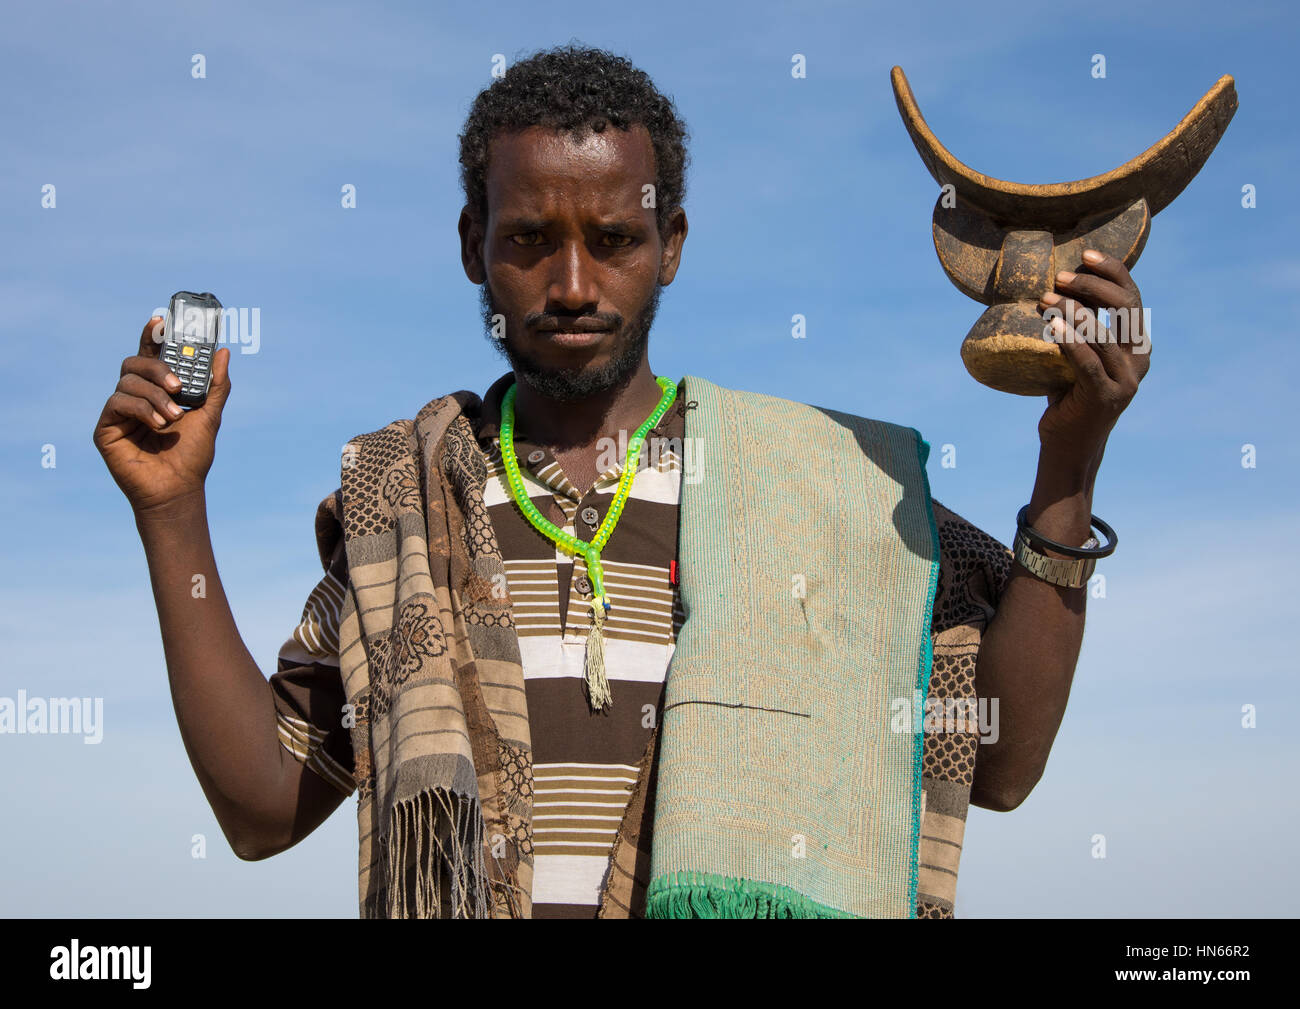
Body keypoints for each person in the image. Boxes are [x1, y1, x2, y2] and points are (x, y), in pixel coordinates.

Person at [92, 45, 1149, 919]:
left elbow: (1000, 765)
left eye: (613, 241)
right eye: (527, 242)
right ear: (473, 246)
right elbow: (262, 807)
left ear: (670, 245)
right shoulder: (407, 504)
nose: (571, 285)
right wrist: (172, 511)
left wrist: (1070, 461)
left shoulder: (818, 485)